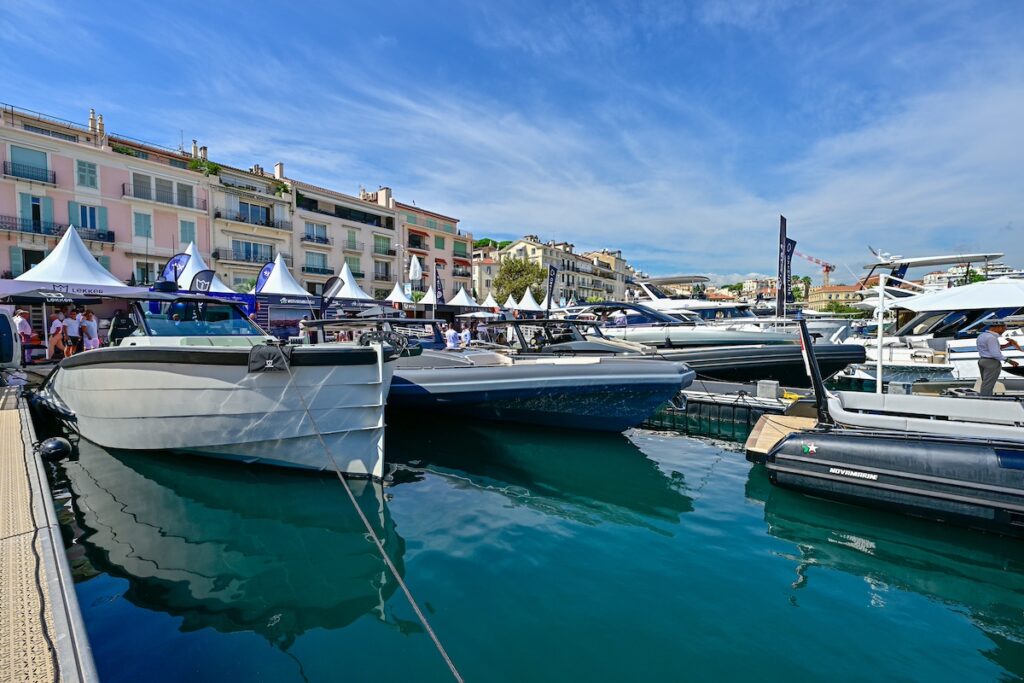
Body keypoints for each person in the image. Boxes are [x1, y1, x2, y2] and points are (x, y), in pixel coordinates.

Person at [976, 320, 1021, 396]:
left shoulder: (982, 336)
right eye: (1004, 328)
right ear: (998, 327)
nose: (1004, 330)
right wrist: (1010, 361)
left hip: (982, 360)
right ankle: (986, 401)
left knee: (985, 383)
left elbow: (992, 348)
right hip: (991, 363)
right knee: (988, 385)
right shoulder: (992, 338)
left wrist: (1007, 345)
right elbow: (995, 354)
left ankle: (984, 399)